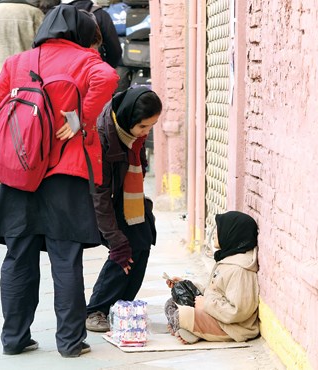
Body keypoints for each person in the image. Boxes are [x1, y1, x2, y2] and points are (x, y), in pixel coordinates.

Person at [0, 5, 118, 357]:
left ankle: (14, 339)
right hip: (64, 175)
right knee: (65, 257)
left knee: (17, 256)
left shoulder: (17, 62)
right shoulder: (85, 61)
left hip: (18, 173)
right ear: (82, 34)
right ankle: (70, 342)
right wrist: (81, 119)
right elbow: (109, 78)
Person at [85, 87, 162, 332]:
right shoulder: (104, 138)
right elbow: (99, 197)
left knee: (143, 237)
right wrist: (115, 238)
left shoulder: (131, 135)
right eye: (143, 127)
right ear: (129, 118)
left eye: (151, 126)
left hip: (124, 196)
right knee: (124, 247)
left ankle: (122, 306)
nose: (146, 133)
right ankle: (95, 309)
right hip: (91, 199)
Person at [164, 211, 260, 344]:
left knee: (181, 315)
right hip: (215, 312)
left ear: (232, 234)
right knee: (171, 302)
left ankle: (191, 331)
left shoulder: (240, 270)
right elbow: (215, 290)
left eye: (219, 229)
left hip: (230, 327)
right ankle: (189, 330)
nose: (214, 233)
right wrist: (188, 285)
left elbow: (238, 312)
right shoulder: (229, 258)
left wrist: (206, 304)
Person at [62, 0, 121, 68]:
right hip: (94, 67)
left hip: (67, 68)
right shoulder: (101, 14)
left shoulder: (62, 15)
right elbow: (114, 49)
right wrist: (109, 66)